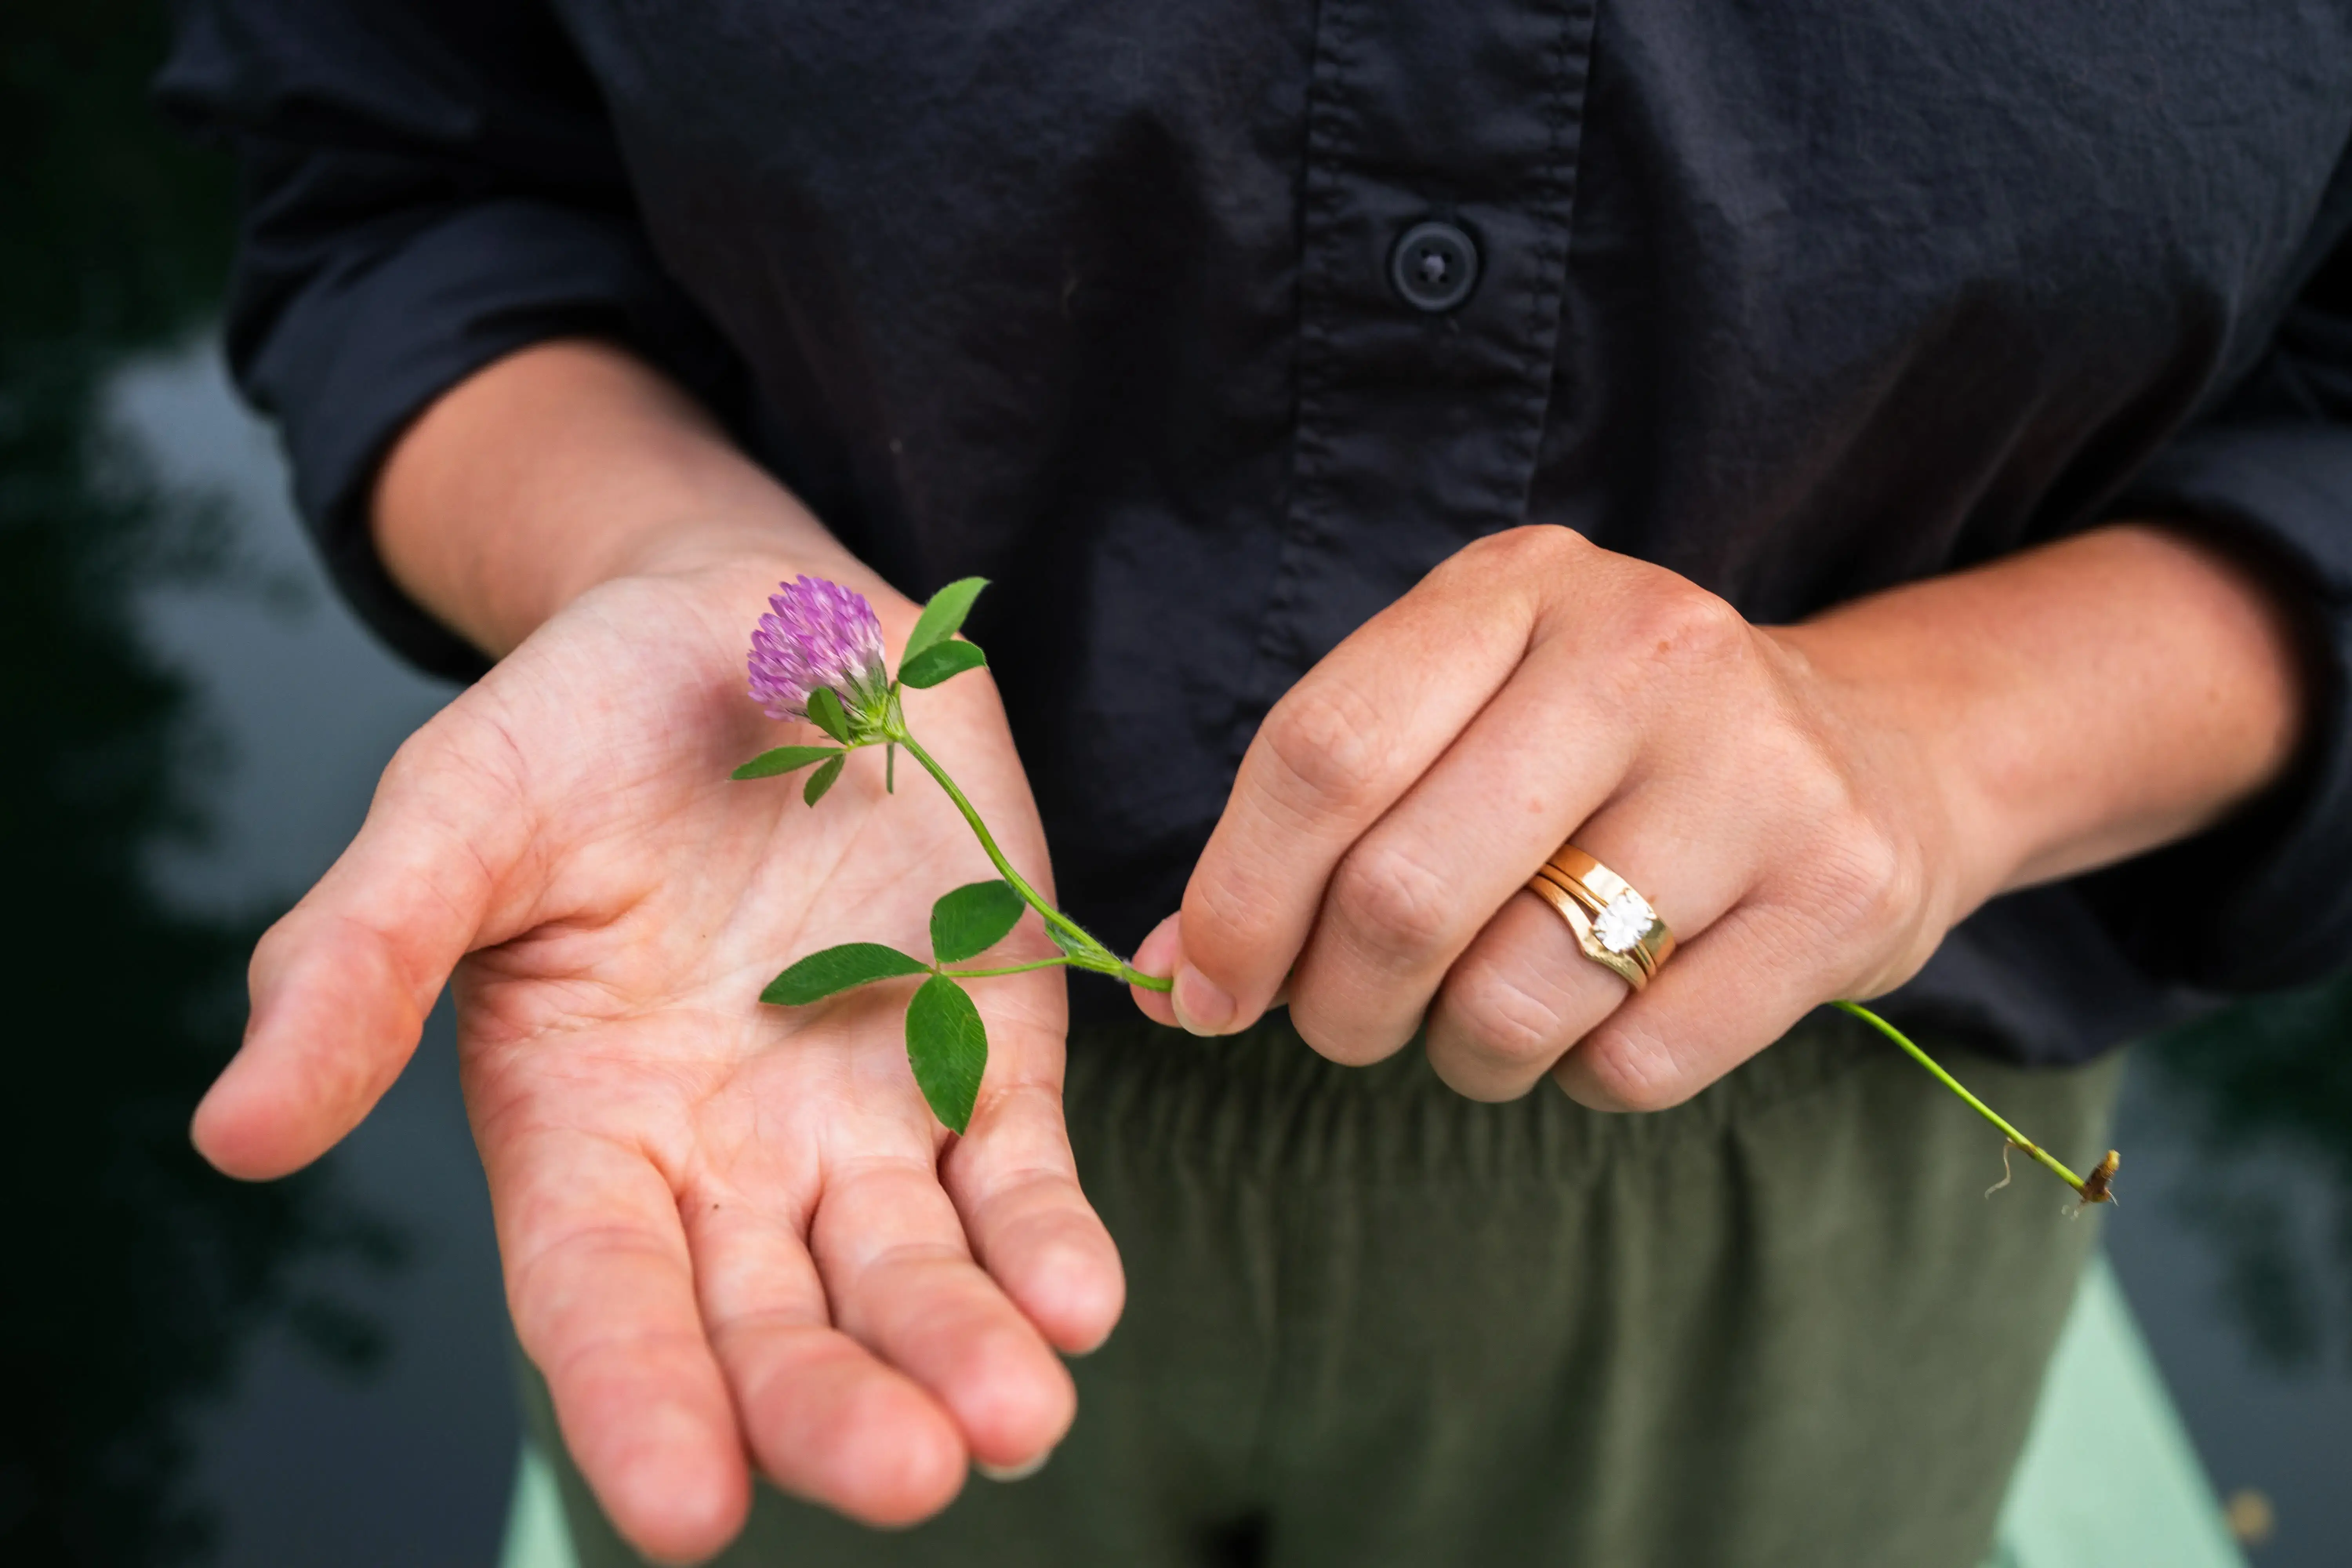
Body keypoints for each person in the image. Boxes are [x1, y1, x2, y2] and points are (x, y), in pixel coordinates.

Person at [160, 2, 2352, 1564]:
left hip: (1790, 1148)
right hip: (810, 1099)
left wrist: (1938, 744)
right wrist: (654, 553)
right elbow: (400, 176)